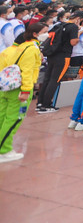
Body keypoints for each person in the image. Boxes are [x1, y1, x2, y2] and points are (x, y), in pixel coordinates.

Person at [0, 22, 44, 162]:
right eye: (45, 31)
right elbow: (27, 70)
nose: (47, 34)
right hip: (20, 89)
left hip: (7, 87)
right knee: (14, 119)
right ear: (35, 34)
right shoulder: (31, 48)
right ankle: (4, 150)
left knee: (2, 118)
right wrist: (25, 90)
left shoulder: (17, 48)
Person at [35, 11, 80, 113]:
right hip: (63, 56)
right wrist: (78, 34)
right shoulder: (73, 27)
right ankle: (46, 105)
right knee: (55, 80)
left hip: (53, 54)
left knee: (47, 79)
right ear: (78, 18)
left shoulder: (59, 24)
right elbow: (73, 42)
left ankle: (40, 103)